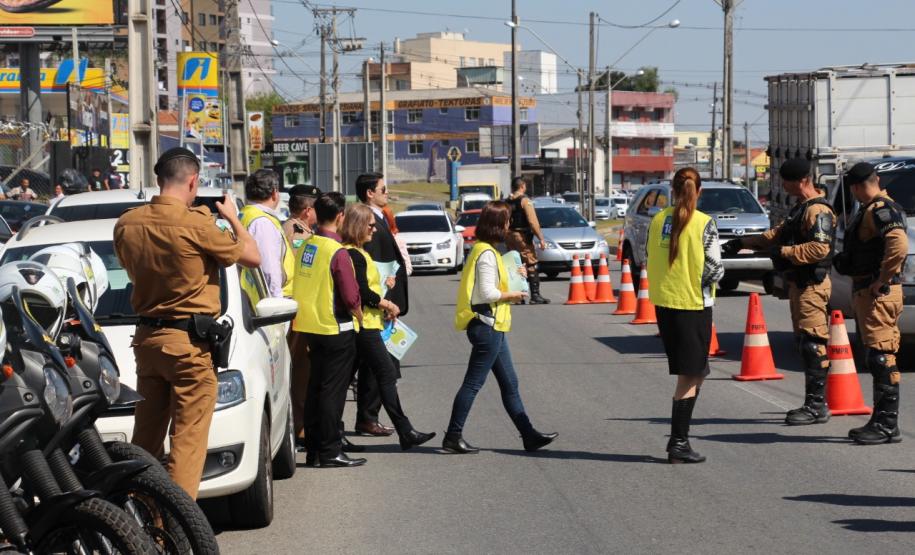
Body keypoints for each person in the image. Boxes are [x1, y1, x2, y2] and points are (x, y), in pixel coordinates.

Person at [113, 147, 261, 498]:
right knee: (187, 445)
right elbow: (252, 257)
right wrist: (233, 218)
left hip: (148, 342)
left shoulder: (128, 223)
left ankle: (138, 518)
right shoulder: (196, 224)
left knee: (145, 441)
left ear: (158, 179)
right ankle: (175, 532)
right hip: (189, 347)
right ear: (193, 181)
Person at [722, 158, 837, 426]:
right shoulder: (801, 209)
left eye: (786, 181)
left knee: (813, 344)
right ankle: (814, 403)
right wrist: (741, 242)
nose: (783, 187)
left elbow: (820, 249)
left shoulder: (817, 211)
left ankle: (816, 406)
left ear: (801, 181)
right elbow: (775, 235)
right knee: (804, 342)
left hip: (812, 285)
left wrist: (783, 253)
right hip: (799, 284)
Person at [443, 201, 557, 454]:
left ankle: (529, 435)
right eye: (506, 221)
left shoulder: (487, 251)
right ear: (498, 225)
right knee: (473, 383)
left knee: (510, 384)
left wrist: (514, 273)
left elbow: (496, 278)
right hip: (486, 327)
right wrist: (513, 293)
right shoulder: (485, 253)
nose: (509, 225)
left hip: (493, 326)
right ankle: (453, 435)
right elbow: (487, 292)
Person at [340, 203, 436, 450]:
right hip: (365, 326)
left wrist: (385, 285)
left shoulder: (357, 252)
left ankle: (334, 432)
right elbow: (360, 290)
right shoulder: (354, 254)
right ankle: (405, 431)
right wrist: (386, 303)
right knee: (385, 374)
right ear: (359, 225)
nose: (374, 230)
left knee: (344, 381)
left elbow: (365, 287)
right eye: (370, 225)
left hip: (368, 323)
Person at [646, 168, 723, 464]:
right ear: (698, 191)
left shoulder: (658, 219)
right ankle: (678, 442)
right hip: (692, 305)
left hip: (665, 303)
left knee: (694, 373)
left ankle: (680, 441)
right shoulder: (704, 223)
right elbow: (715, 269)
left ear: (672, 190)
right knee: (690, 375)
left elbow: (652, 256)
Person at [833, 162, 908, 444]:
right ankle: (882, 421)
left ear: (856, 186)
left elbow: (899, 244)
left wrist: (883, 279)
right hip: (868, 291)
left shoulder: (880, 209)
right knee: (876, 354)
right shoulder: (872, 208)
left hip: (877, 293)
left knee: (881, 356)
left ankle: (887, 425)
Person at [293, 191, 366, 468]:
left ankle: (314, 451)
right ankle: (331, 450)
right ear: (341, 216)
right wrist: (359, 314)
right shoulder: (337, 251)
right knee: (332, 393)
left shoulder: (308, 246)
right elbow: (350, 295)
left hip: (311, 325)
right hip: (336, 327)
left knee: (315, 389)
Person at [354, 173, 409, 437]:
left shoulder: (381, 216)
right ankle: (370, 418)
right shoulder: (368, 219)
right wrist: (384, 302)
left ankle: (369, 417)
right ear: (369, 193)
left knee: (378, 366)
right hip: (377, 305)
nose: (387, 193)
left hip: (383, 303)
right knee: (379, 367)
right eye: (382, 189)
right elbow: (372, 264)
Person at [283, 183, 321, 446]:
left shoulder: (299, 229)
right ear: (308, 210)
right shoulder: (297, 234)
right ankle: (300, 427)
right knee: (300, 374)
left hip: (297, 309)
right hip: (297, 311)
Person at [240, 169, 294, 298]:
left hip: (253, 296)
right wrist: (276, 303)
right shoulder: (262, 222)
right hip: (269, 301)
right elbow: (269, 269)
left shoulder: (246, 214)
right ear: (274, 193)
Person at [504, 176, 550, 304]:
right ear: (522, 186)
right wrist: (540, 238)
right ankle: (535, 295)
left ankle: (518, 296)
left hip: (509, 235)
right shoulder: (524, 201)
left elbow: (504, 221)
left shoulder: (507, 201)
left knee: (515, 264)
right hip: (522, 235)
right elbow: (532, 221)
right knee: (530, 263)